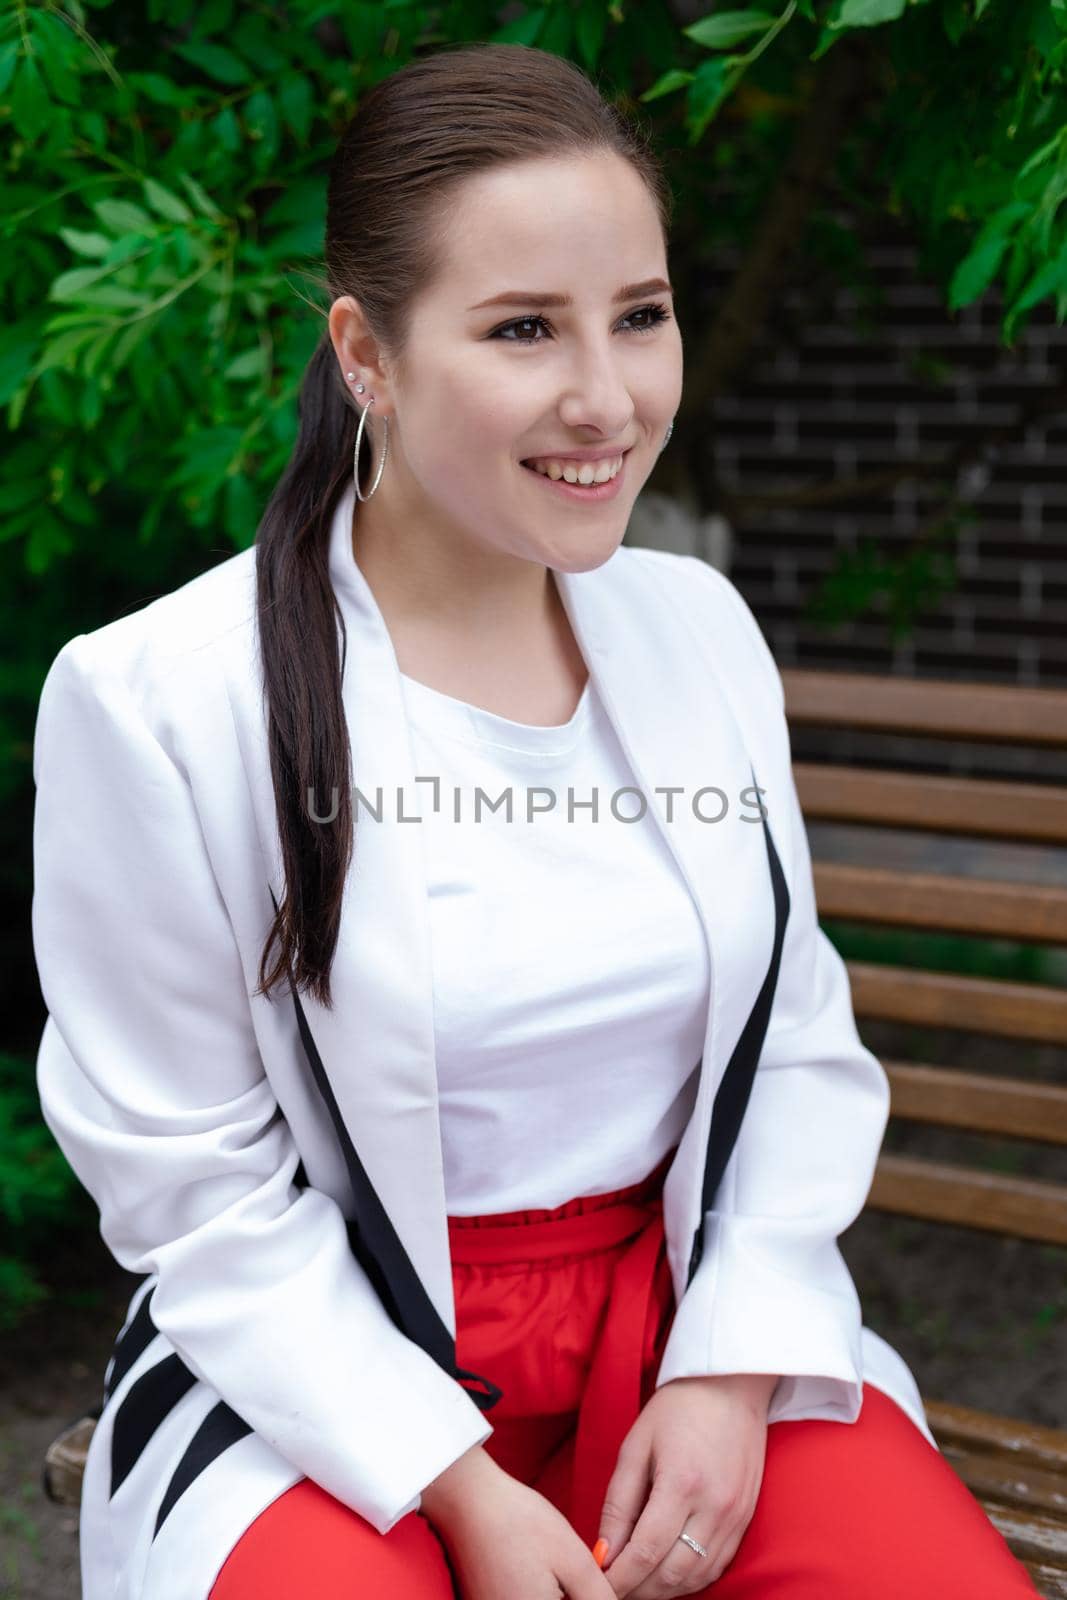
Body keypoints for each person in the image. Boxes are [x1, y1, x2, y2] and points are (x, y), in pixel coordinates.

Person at [31, 39, 1040, 1600]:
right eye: (522, 329)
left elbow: (794, 1044)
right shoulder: (160, 700)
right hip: (332, 1383)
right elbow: (193, 1185)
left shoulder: (695, 628)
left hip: (681, 1330)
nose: (605, 395)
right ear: (365, 354)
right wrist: (465, 1493)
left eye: (640, 315)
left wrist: (731, 1364)